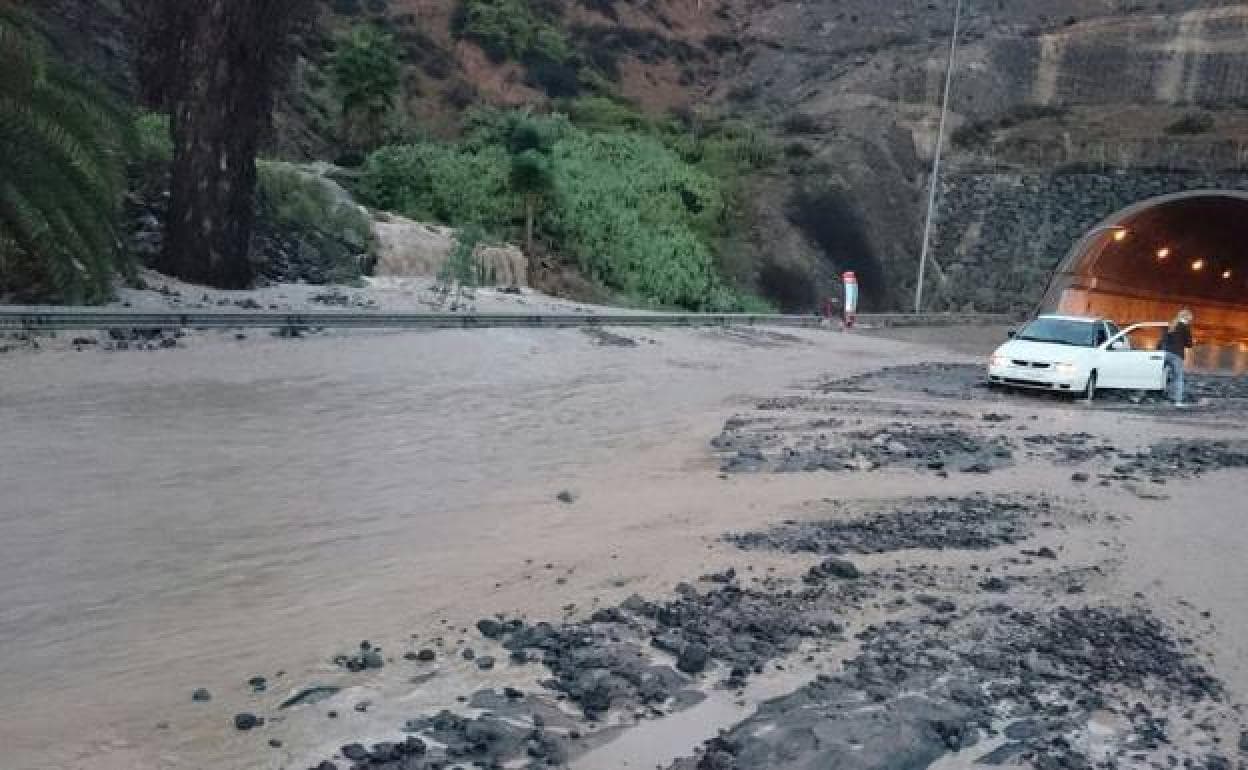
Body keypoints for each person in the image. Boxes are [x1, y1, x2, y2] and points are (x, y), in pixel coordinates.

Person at [1160, 308, 1194, 406]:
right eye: (1190, 318)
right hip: (1177, 355)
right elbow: (1189, 344)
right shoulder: (1186, 327)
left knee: (1161, 375)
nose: (1191, 320)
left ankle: (1158, 395)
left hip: (1165, 353)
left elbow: (1163, 340)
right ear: (1187, 317)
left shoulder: (1171, 325)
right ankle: (1178, 401)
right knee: (1178, 378)